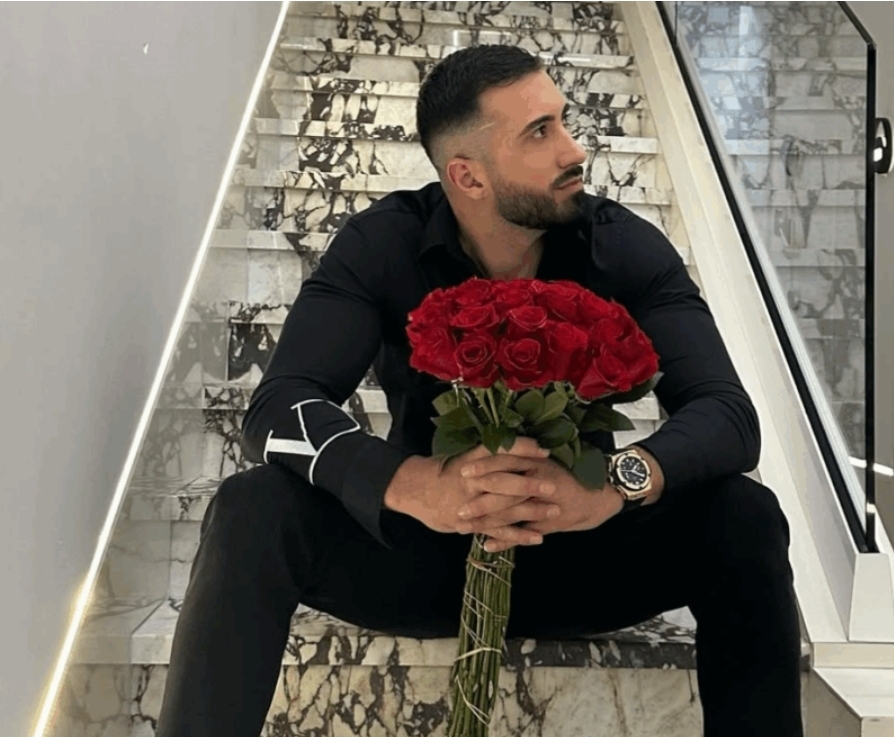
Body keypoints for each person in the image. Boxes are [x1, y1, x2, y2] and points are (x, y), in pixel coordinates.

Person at [156, 45, 803, 737]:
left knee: (745, 514)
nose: (574, 149)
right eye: (539, 132)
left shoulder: (623, 245)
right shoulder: (384, 243)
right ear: (467, 175)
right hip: (423, 555)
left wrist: (614, 483)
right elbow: (277, 407)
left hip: (586, 552)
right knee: (250, 505)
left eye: (563, 121)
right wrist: (410, 483)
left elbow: (728, 415)